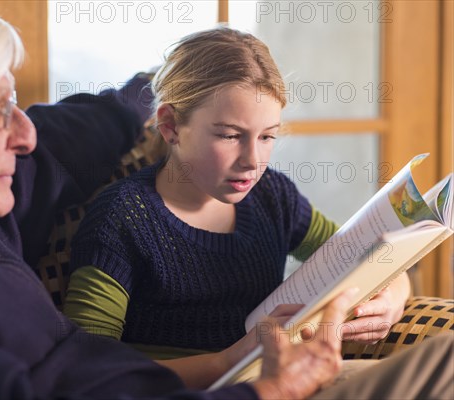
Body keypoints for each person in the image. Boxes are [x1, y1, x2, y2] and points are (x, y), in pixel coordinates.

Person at [0, 5, 452, 400]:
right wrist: (251, 387)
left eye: (266, 135)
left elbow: (93, 120)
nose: (24, 134)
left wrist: (178, 80)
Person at [64, 28, 413, 388]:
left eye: (267, 137)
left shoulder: (273, 196)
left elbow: (363, 254)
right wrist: (229, 360)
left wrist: (396, 292)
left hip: (284, 383)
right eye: (230, 135)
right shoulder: (122, 218)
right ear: (170, 126)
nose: (252, 161)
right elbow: (88, 371)